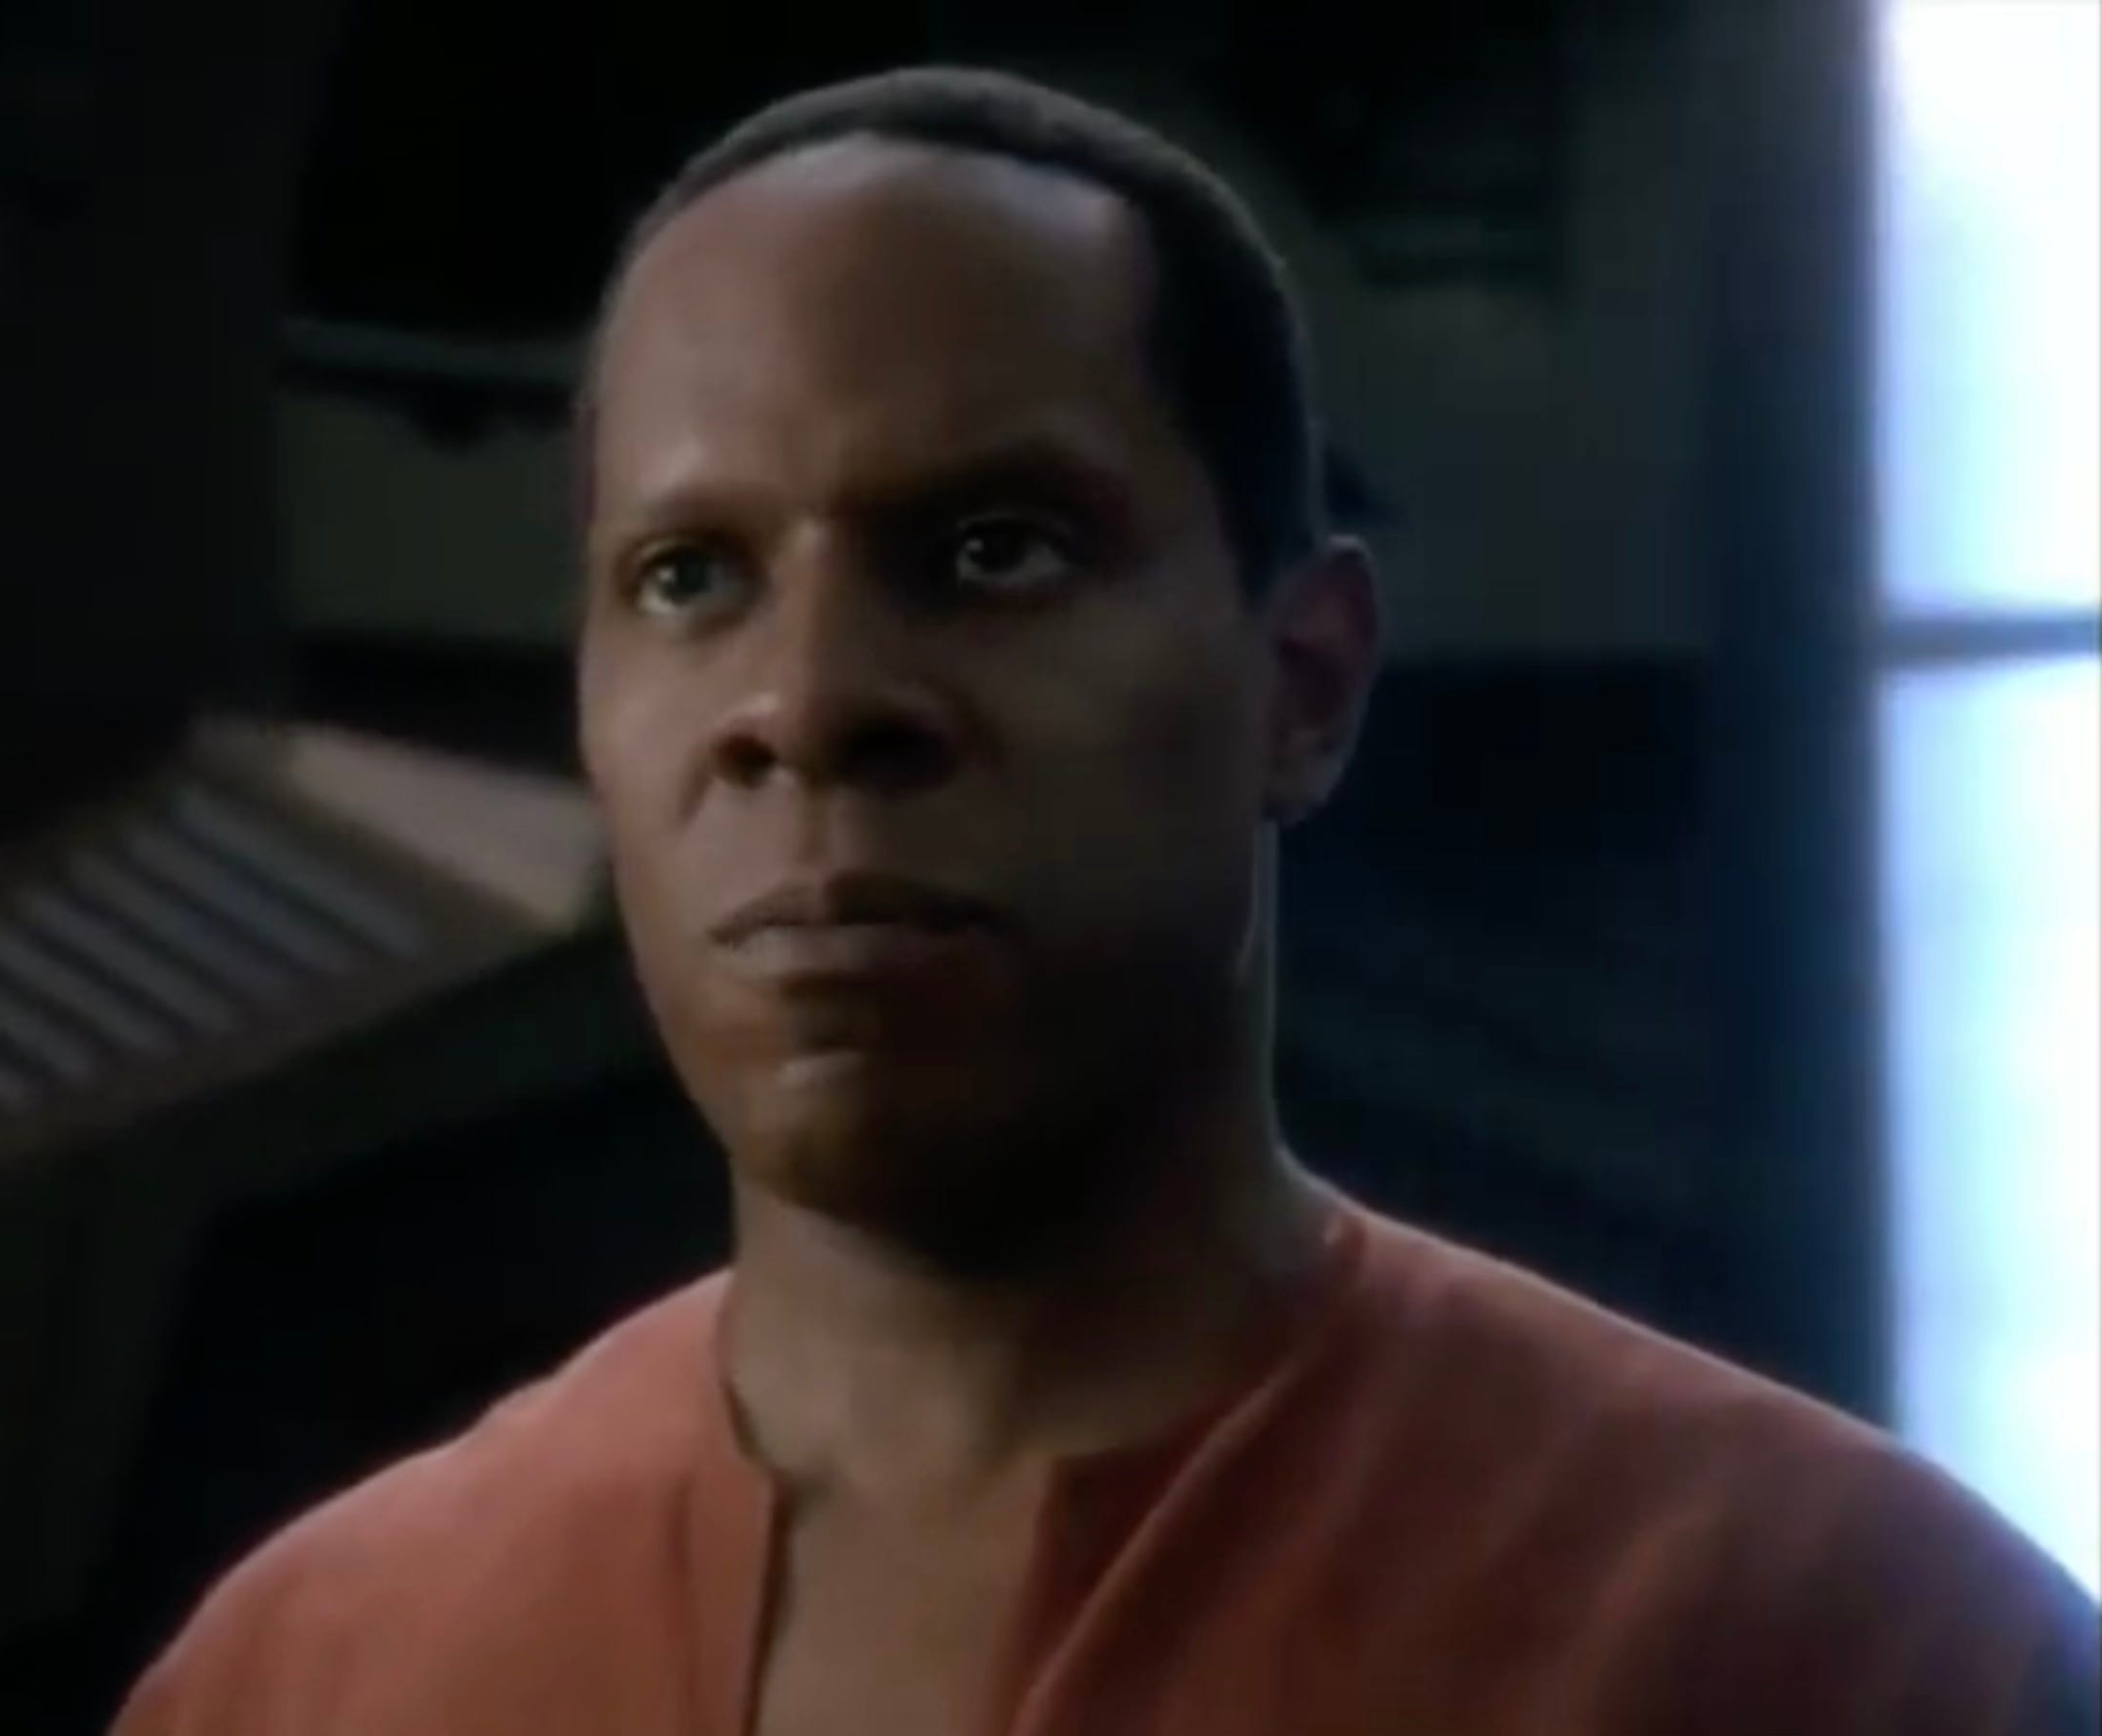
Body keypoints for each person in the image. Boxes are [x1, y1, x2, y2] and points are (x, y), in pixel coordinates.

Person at [113, 67, 2098, 1736]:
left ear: (1302, 684)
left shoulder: (1836, 1643)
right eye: (690, 576)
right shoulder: (313, 1675)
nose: (808, 701)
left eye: (993, 548)